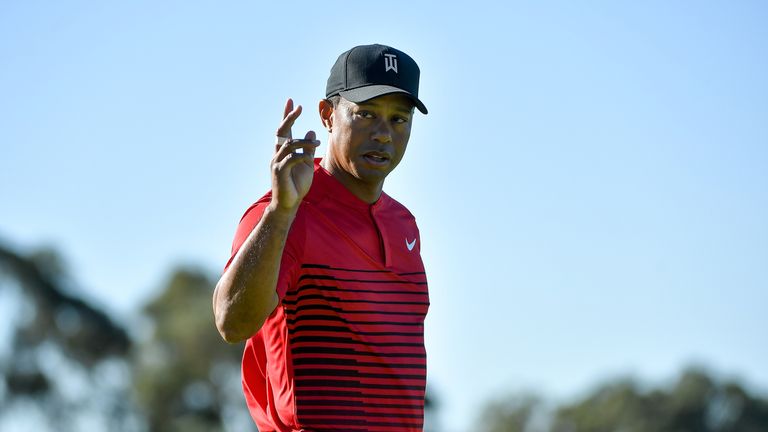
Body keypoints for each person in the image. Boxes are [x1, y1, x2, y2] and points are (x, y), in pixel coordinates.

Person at [213, 44, 430, 432]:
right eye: (366, 114)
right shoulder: (286, 213)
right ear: (328, 115)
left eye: (399, 119)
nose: (383, 134)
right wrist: (281, 213)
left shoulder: (405, 225)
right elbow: (231, 323)